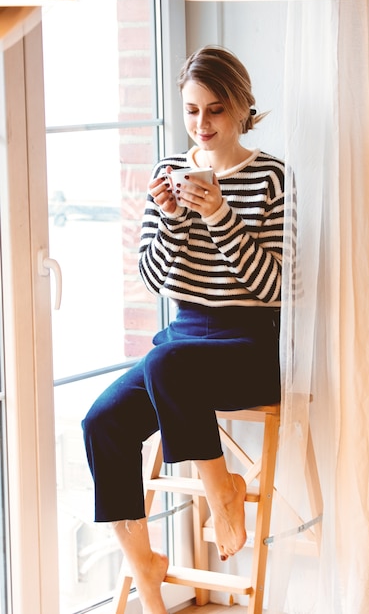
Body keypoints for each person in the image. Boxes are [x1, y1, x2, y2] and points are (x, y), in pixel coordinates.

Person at [82, 45, 288, 614]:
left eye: (215, 110)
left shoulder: (272, 177)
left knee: (167, 363)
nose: (202, 125)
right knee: (101, 422)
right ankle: (145, 567)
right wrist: (174, 220)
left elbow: (274, 288)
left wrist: (221, 215)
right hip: (182, 343)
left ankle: (223, 493)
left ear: (243, 107)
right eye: (192, 111)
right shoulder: (166, 174)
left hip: (249, 343)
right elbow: (154, 278)